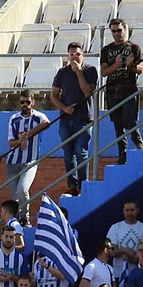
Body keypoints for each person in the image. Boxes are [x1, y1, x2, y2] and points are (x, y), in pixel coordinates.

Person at [50, 42, 99, 195]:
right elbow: (54, 95)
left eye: (77, 54)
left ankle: (83, 184)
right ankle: (72, 185)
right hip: (65, 119)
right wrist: (64, 108)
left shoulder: (90, 70)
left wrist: (78, 72)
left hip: (83, 119)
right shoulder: (62, 72)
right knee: (68, 153)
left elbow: (88, 92)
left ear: (82, 55)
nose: (74, 57)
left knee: (80, 151)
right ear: (68, 56)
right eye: (71, 54)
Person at [99, 19, 143, 163]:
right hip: (112, 89)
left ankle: (139, 143)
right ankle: (122, 153)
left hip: (129, 87)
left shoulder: (134, 47)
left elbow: (140, 69)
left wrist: (131, 65)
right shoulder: (106, 50)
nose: (116, 33)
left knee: (129, 119)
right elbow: (104, 72)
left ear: (125, 30)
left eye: (119, 30)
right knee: (118, 124)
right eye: (113, 31)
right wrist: (117, 64)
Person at [5, 92, 52, 213]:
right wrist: (20, 141)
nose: (25, 104)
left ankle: (24, 217)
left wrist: (29, 134)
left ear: (33, 102)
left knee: (22, 189)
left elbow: (47, 123)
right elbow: (10, 142)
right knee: (14, 196)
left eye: (27, 102)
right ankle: (16, 219)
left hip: (30, 161)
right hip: (12, 162)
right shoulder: (14, 118)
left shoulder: (38, 116)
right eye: (22, 102)